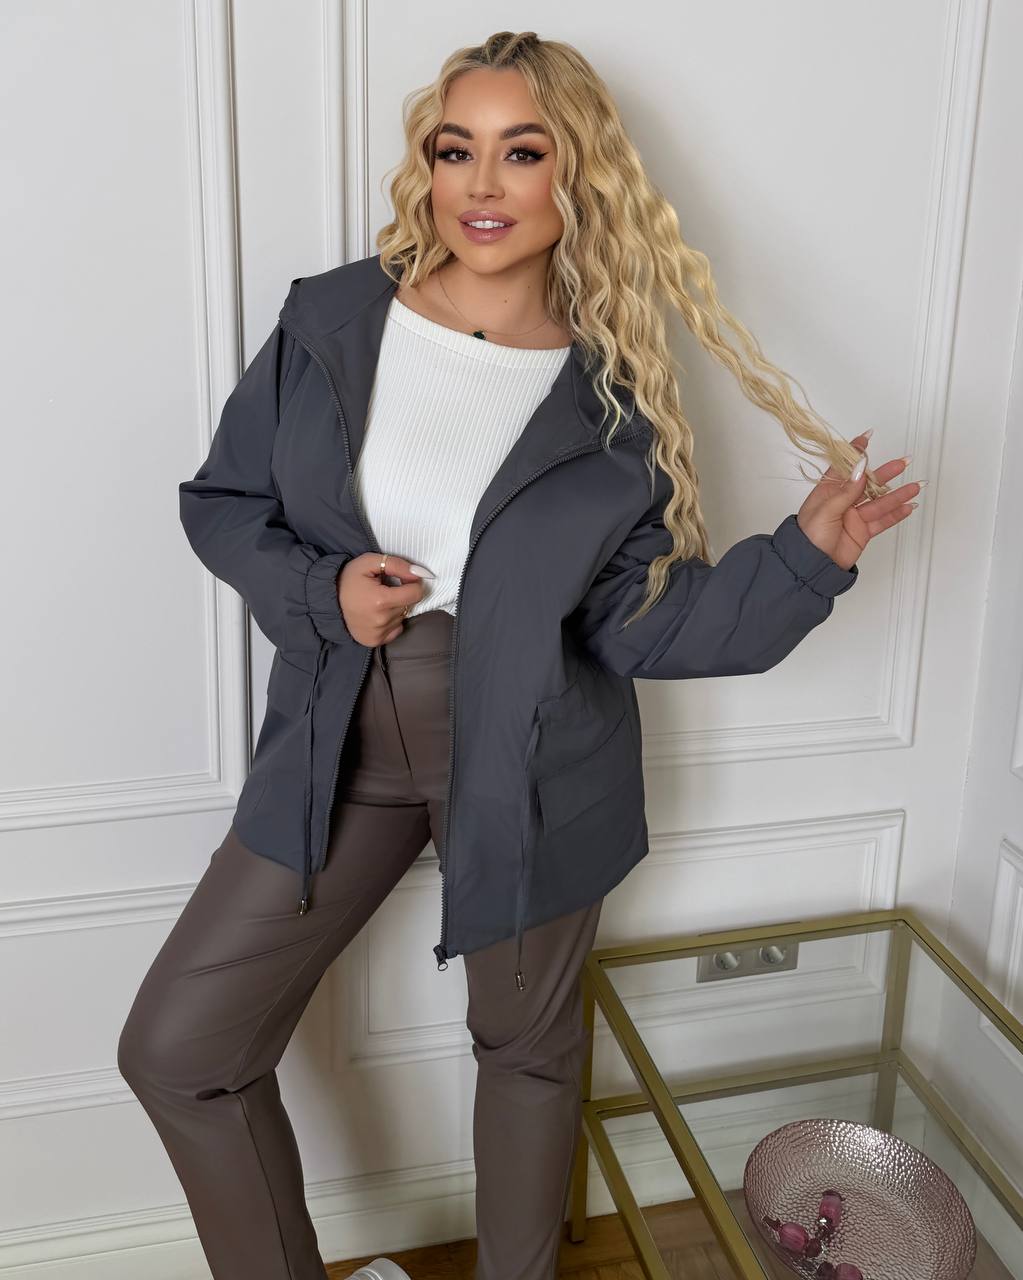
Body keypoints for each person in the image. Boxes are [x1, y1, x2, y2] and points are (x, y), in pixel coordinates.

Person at [116, 29, 920, 1280]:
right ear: (428, 166)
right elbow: (223, 501)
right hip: (337, 742)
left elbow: (639, 623)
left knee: (527, 1054)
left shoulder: (613, 397)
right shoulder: (332, 320)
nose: (482, 185)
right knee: (180, 1049)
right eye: (457, 150)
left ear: (575, 174)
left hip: (533, 756)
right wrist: (323, 589)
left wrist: (806, 554)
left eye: (522, 152)